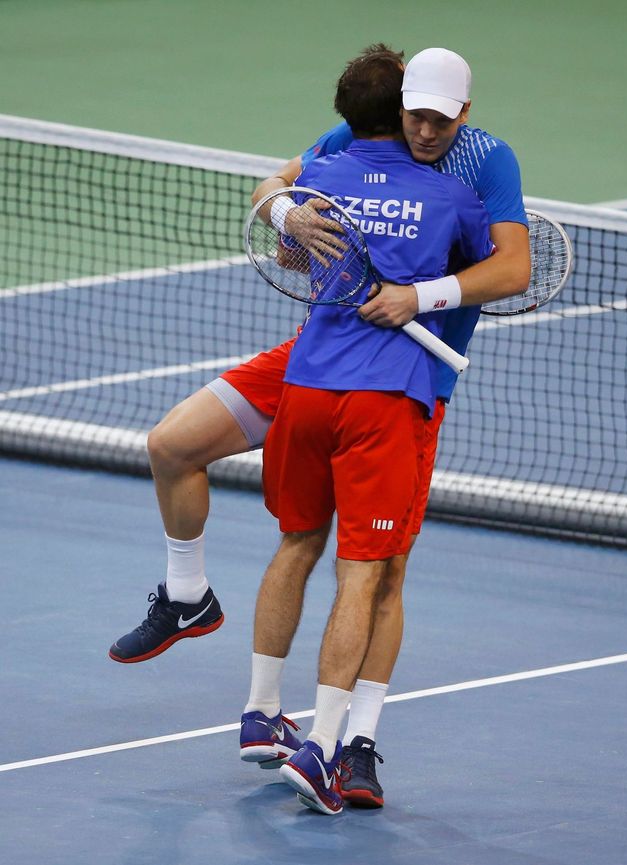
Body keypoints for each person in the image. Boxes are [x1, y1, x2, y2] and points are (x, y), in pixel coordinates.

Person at [108, 44, 529, 806]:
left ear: (464, 114)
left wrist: (416, 295)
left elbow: (511, 268)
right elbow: (280, 198)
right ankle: (189, 599)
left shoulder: (487, 166)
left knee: (383, 570)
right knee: (174, 445)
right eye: (414, 113)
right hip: (317, 360)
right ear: (396, 105)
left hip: (410, 377)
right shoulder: (352, 141)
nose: (425, 129)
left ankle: (353, 743)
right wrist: (292, 214)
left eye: (439, 118)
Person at [239, 47, 493, 815]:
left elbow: (289, 243)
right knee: (364, 574)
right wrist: (419, 287)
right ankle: (320, 749)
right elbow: (497, 275)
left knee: (294, 545)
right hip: (383, 402)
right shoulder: (452, 195)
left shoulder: (321, 180)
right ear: (407, 112)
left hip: (308, 390)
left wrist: (295, 213)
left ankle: (260, 712)